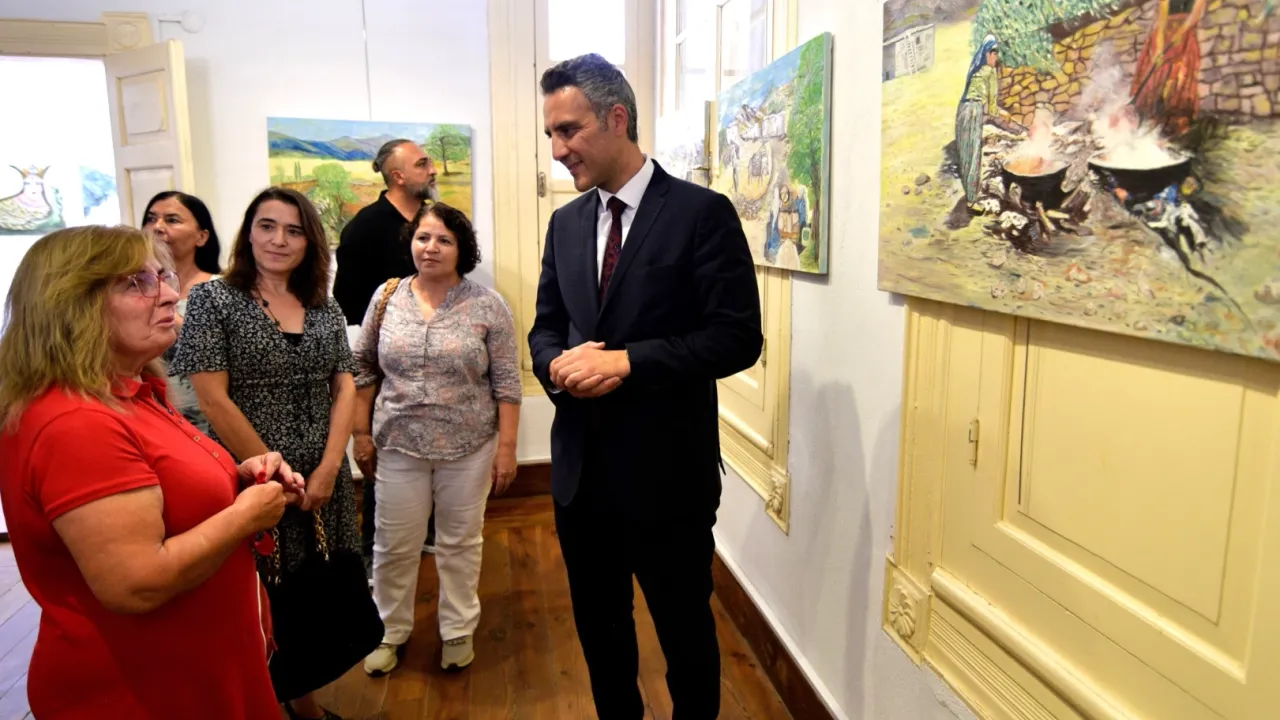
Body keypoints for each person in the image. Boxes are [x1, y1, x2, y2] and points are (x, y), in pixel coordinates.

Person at [528, 53, 763, 718]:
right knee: (601, 635)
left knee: (684, 634)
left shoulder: (700, 213)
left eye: (568, 130)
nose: (557, 150)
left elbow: (736, 338)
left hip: (668, 479)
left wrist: (627, 362)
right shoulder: (565, 223)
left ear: (616, 118)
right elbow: (546, 328)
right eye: (550, 134)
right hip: (580, 479)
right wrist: (558, 368)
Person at [0, 225, 306, 719]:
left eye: (163, 277)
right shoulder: (77, 422)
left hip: (191, 666)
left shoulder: (128, 391)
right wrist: (246, 515)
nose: (167, 294)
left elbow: (159, 488)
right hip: (142, 687)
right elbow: (136, 583)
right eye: (136, 282)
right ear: (71, 305)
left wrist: (237, 479)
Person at [171, 187, 382, 720]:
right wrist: (279, 473)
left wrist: (330, 468)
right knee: (265, 599)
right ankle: (267, 706)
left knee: (319, 594)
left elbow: (344, 386)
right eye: (267, 226)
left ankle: (303, 705)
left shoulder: (323, 303)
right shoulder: (214, 300)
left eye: (294, 230)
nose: (279, 240)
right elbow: (213, 398)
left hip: (324, 476)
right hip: (252, 478)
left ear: (310, 242)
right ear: (248, 233)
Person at [352, 202, 521, 676]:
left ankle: (458, 629)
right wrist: (360, 433)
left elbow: (507, 382)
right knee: (393, 544)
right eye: (423, 237)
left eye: (444, 240)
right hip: (397, 443)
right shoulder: (386, 296)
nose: (431, 248)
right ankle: (389, 630)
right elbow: (362, 365)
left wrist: (507, 450)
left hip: (469, 447)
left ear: (461, 249)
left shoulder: (488, 304)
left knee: (459, 543)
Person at [333, 139, 440, 565]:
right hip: (386, 363)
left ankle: (427, 532)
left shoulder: (433, 221)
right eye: (422, 163)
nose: (432, 169)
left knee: (431, 445)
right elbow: (347, 301)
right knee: (384, 454)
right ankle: (374, 550)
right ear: (397, 176)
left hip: (437, 360)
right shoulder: (364, 229)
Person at [142, 190, 222, 434]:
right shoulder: (130, 291)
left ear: (202, 236)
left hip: (211, 421)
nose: (157, 227)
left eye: (172, 220)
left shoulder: (222, 290)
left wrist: (171, 318)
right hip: (151, 415)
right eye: (151, 218)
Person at [1131, 0, 1207, 136]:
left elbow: (1195, 15)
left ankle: (1172, 122)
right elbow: (1161, 18)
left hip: (1185, 36)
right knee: (1156, 77)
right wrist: (1159, 46)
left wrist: (1180, 33)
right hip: (1164, 35)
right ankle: (1148, 119)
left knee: (1179, 75)